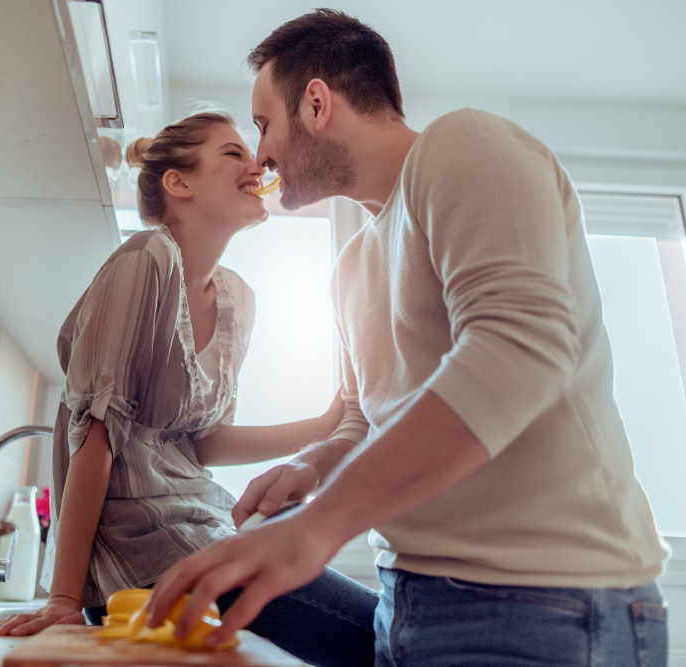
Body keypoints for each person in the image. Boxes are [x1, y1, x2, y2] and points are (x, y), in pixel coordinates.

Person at [146, 11, 670, 666]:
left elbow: (519, 349)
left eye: (262, 123)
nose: (259, 156)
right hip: (405, 605)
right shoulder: (350, 268)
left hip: (543, 609)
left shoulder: (463, 145)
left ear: (316, 102)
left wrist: (315, 527)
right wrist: (312, 466)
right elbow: (366, 418)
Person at [0, 112, 379, 667]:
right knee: (378, 637)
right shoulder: (146, 258)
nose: (258, 164)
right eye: (233, 153)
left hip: (208, 533)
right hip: (143, 561)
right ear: (180, 182)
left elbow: (202, 444)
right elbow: (95, 436)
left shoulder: (238, 301)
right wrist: (64, 599)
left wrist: (322, 427)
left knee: (377, 631)